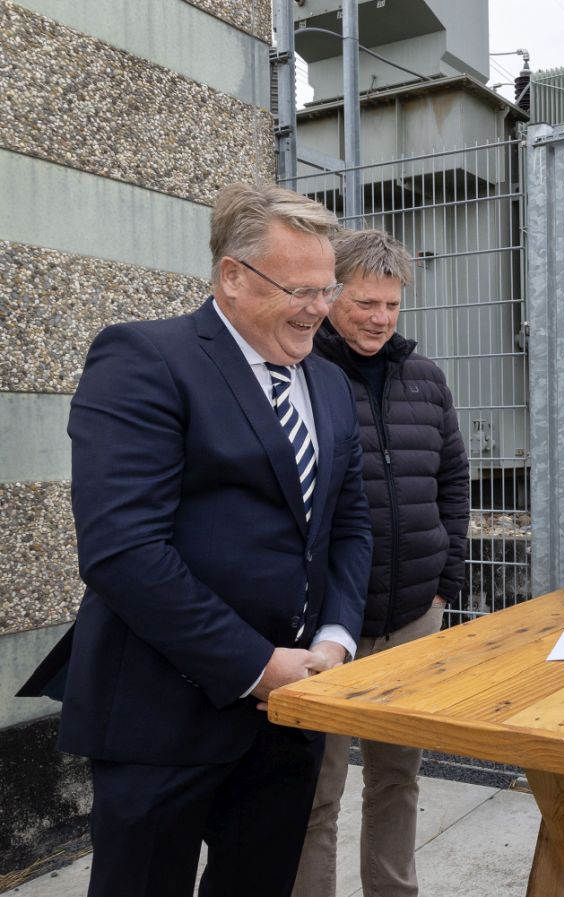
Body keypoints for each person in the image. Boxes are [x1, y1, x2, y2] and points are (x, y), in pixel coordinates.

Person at [20, 183, 373, 897]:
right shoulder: (145, 359)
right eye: (297, 289)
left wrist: (334, 637)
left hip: (288, 715)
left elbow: (350, 523)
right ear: (232, 278)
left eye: (326, 287)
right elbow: (123, 549)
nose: (317, 308)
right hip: (163, 716)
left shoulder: (331, 384)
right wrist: (254, 662)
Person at [293, 229, 470, 897]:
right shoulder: (303, 370)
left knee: (398, 776)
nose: (379, 318)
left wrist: (442, 586)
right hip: (325, 624)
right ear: (331, 294)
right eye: (365, 301)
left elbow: (453, 478)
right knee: (317, 788)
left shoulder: (424, 377)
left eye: (391, 305)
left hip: (413, 616)